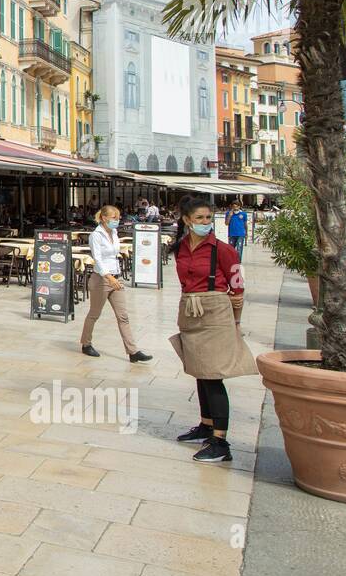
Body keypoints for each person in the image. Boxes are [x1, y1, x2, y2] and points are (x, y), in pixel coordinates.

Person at [170, 196, 255, 463]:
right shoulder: (181, 247)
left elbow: (237, 283)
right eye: (200, 219)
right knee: (198, 369)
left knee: (213, 374)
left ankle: (220, 441)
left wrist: (237, 317)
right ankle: (206, 425)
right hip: (190, 309)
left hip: (215, 311)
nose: (206, 223)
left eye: (208, 218)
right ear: (187, 220)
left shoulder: (223, 249)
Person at [78, 206, 153, 364]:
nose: (117, 220)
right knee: (94, 313)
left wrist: (116, 276)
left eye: (118, 217)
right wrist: (109, 277)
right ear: (104, 218)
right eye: (114, 218)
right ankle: (86, 343)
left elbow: (114, 255)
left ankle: (133, 351)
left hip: (116, 276)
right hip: (101, 279)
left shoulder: (114, 232)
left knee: (123, 316)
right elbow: (97, 258)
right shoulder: (95, 235)